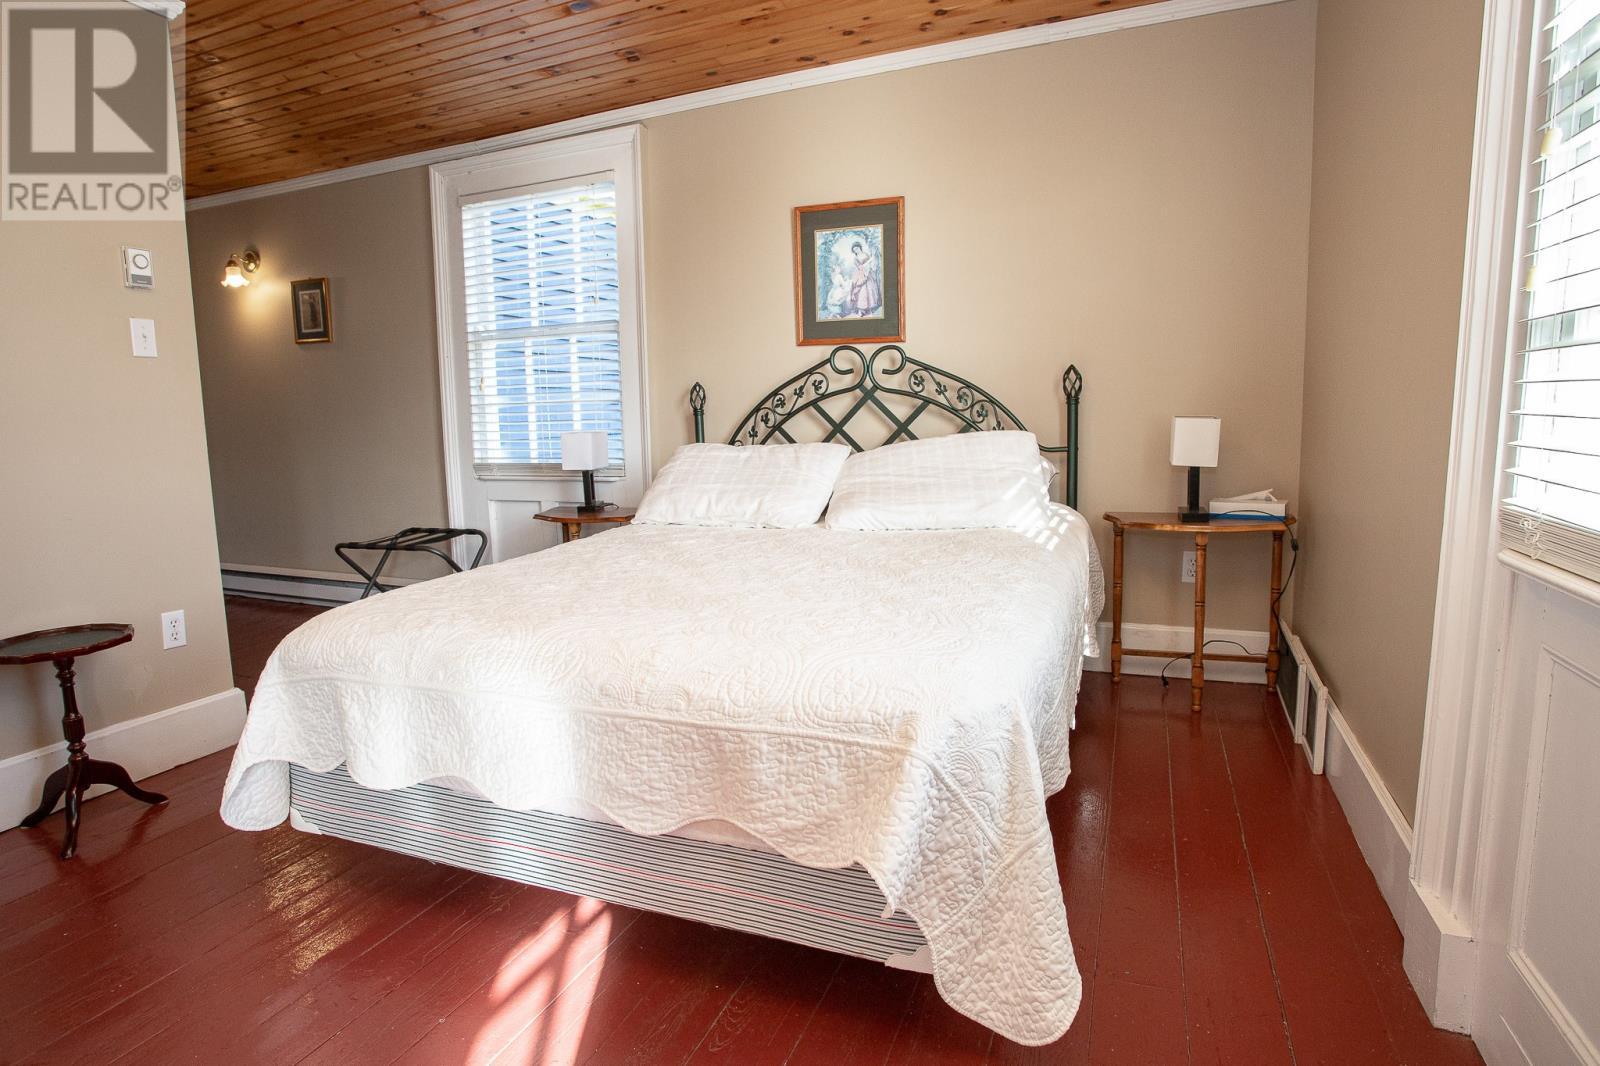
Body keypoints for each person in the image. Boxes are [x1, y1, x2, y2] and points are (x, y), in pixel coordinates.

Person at [848, 240, 881, 317]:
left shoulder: (866, 254)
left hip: (868, 274)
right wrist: (869, 261)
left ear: (860, 247)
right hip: (861, 275)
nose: (856, 250)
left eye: (857, 248)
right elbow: (860, 267)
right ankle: (860, 310)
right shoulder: (855, 258)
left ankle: (868, 309)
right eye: (854, 250)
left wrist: (871, 262)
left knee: (869, 291)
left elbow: (871, 264)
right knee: (861, 292)